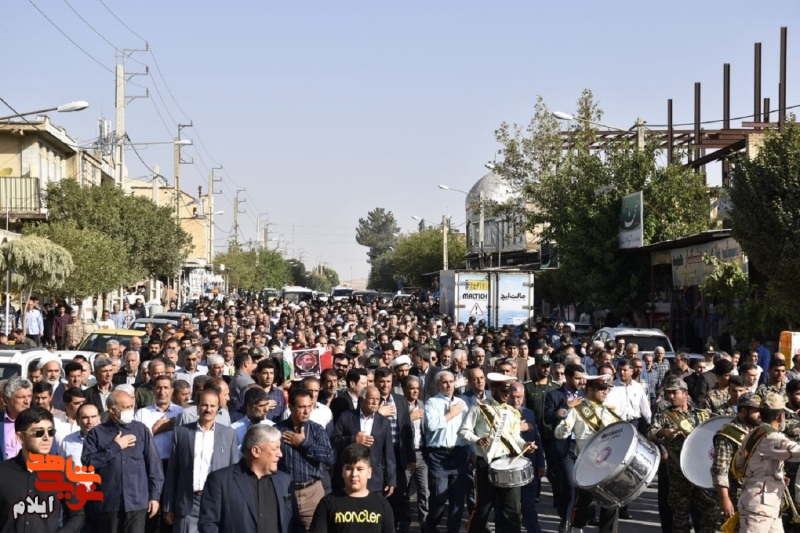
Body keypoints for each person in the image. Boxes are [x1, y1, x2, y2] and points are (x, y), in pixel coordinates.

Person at [459, 373, 537, 533]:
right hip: (486, 463)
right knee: (483, 508)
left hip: (508, 462)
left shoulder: (512, 412)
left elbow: (515, 437)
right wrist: (477, 440)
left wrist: (525, 445)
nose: (507, 395)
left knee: (512, 510)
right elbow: (463, 431)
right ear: (493, 389)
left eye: (508, 391)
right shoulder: (479, 408)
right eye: (503, 391)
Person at [82, 389, 165, 532]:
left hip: (137, 502)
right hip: (109, 503)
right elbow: (88, 463)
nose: (129, 411)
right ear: (112, 410)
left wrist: (155, 497)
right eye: (125, 408)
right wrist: (115, 446)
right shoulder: (97, 433)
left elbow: (154, 466)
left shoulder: (141, 430)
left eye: (131, 407)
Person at [198, 424, 300, 533]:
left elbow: (296, 525)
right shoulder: (221, 481)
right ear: (256, 451)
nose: (280, 454)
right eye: (275, 449)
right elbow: (208, 524)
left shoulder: (285, 481)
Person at [163, 389, 240, 533]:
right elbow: (172, 471)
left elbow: (233, 474)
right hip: (188, 503)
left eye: (212, 406)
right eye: (204, 405)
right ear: (197, 406)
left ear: (218, 408)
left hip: (216, 503)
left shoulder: (229, 434)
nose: (208, 409)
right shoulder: (182, 433)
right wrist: (169, 506)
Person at [647, 376, 717, 533]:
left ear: (685, 394)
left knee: (709, 511)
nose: (671, 396)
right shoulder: (664, 415)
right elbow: (650, 433)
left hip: (699, 471)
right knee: (680, 516)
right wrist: (663, 432)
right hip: (678, 472)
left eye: (675, 392)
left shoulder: (701, 414)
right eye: (668, 393)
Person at [0, 406, 84, 532]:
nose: (46, 437)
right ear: (20, 437)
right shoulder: (3, 472)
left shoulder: (62, 471)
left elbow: (77, 515)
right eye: (39, 432)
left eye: (51, 432)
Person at [555, 374, 621, 533]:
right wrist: (565, 426)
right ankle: (577, 528)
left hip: (608, 463)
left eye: (606, 389)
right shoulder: (577, 409)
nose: (605, 392)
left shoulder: (610, 411)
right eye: (601, 389)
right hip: (588, 464)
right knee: (587, 505)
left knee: (612, 503)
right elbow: (559, 433)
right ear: (590, 389)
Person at [735, 392, 800, 532]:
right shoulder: (773, 437)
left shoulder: (753, 433)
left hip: (765, 505)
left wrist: (772, 476)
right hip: (759, 508)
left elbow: (739, 465)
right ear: (781, 417)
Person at [275, 388, 335, 530]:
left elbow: (329, 456)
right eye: (302, 407)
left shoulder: (317, 430)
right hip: (286, 493)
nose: (307, 411)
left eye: (309, 406)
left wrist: (303, 443)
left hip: (312, 493)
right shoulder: (278, 430)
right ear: (291, 407)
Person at [309, 443, 395, 533]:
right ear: (342, 471)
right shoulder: (328, 503)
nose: (354, 474)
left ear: (369, 472)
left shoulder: (382, 505)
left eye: (360, 469)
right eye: (349, 468)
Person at [423, 371, 470, 533]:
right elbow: (431, 426)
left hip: (459, 453)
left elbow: (467, 429)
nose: (449, 385)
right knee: (439, 497)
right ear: (438, 385)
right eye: (445, 382)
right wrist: (451, 414)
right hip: (439, 456)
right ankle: (430, 527)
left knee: (457, 500)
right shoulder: (432, 403)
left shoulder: (461, 403)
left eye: (451, 381)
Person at [544, 363, 586, 532]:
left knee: (581, 485)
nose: (581, 382)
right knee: (569, 483)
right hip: (564, 446)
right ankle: (566, 520)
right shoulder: (554, 395)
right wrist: (566, 407)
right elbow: (547, 417)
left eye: (582, 378)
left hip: (582, 445)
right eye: (577, 378)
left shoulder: (584, 395)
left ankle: (576, 519)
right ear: (568, 378)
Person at [331, 386, 396, 495]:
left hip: (374, 480)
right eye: (372, 399)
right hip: (350, 478)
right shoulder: (346, 417)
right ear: (362, 400)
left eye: (377, 399)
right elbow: (334, 440)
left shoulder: (384, 422)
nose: (375, 402)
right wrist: (353, 439)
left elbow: (389, 454)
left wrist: (391, 480)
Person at [374, 366, 415, 533]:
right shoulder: (371, 400)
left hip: (398, 453)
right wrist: (378, 413)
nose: (385, 385)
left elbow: (407, 429)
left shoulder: (400, 400)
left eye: (388, 381)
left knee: (400, 492)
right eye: (382, 381)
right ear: (375, 382)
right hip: (378, 455)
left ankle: (402, 525)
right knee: (381, 491)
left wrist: (411, 456)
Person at [712, 392, 761, 522]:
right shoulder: (728, 433)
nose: (760, 414)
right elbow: (720, 469)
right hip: (737, 494)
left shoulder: (758, 430)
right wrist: (725, 499)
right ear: (743, 412)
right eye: (756, 411)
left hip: (757, 493)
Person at [509, 380, 545, 533]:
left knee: (529, 505)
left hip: (529, 466)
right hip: (510, 466)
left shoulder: (529, 413)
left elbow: (537, 438)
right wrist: (518, 427)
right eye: (513, 396)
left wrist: (540, 463)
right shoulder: (502, 414)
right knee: (512, 508)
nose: (516, 400)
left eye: (519, 397)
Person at [0, 376, 33, 459]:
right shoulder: (1, 422)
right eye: (21, 397)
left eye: (29, 396)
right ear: (7, 399)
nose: (27, 401)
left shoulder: (38, 421)